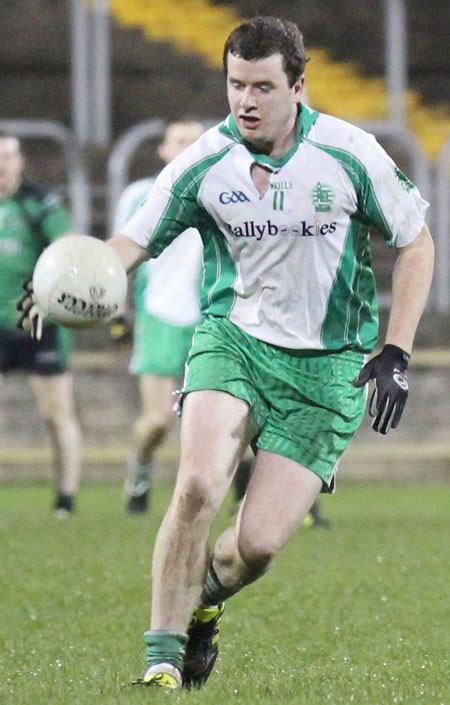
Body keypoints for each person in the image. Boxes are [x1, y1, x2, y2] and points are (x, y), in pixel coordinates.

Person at [20, 16, 434, 690]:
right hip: (232, 340)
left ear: (298, 86)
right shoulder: (205, 161)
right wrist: (60, 285)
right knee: (197, 484)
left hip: (329, 365)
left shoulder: (351, 152)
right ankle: (161, 659)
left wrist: (396, 349)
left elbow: (416, 242)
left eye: (263, 87)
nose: (246, 100)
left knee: (259, 544)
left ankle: (205, 601)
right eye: (236, 84)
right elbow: (130, 244)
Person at [112, 120, 205, 513]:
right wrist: (118, 312)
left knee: (225, 420)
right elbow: (120, 252)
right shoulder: (140, 195)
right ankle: (140, 471)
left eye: (195, 141)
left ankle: (242, 498)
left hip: (210, 317)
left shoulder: (222, 191)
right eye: (180, 141)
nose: (188, 148)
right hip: (159, 316)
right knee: (157, 422)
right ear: (163, 151)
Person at [0, 134, 82, 516]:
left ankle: (65, 498)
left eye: (8, 156)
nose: (2, 164)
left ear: (20, 161)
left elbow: (67, 243)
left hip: (37, 319)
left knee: (55, 413)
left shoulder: (39, 203)